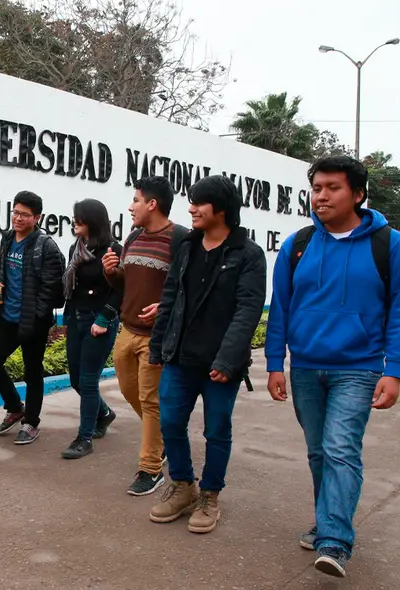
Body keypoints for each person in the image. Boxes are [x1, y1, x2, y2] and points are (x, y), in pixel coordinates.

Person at [264, 155, 400, 578]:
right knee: (318, 453)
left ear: (358, 194)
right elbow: (282, 308)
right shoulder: (298, 245)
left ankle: (334, 541)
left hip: (360, 368)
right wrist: (276, 362)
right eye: (316, 188)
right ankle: (327, 521)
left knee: (339, 449)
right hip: (307, 368)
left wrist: (395, 368)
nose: (322, 196)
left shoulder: (389, 243)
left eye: (333, 188)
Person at [146, 175, 266, 534]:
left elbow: (247, 311)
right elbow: (170, 298)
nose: (191, 208)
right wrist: (158, 346)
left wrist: (228, 360)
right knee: (169, 423)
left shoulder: (248, 254)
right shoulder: (187, 246)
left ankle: (210, 493)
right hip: (180, 359)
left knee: (217, 430)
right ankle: (183, 485)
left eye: (199, 202)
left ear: (222, 208)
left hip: (220, 366)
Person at [102, 176, 188, 496]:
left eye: (136, 200)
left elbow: (190, 288)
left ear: (152, 204)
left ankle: (151, 469)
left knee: (151, 401)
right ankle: (163, 439)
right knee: (128, 391)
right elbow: (126, 284)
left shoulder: (181, 239)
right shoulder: (134, 236)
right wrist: (111, 272)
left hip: (158, 337)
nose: (130, 206)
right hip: (127, 331)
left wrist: (165, 306)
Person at [0, 191, 67, 445]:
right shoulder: (8, 238)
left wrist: (38, 316)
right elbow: (1, 270)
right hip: (6, 316)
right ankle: (14, 406)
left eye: (24, 214)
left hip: (33, 321)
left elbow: (52, 288)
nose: (18, 218)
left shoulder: (46, 246)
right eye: (15, 212)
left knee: (32, 372)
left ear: (37, 217)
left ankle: (31, 422)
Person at [60, 198, 123, 459]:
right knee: (75, 379)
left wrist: (105, 318)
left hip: (99, 321)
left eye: (80, 218)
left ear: (93, 221)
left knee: (87, 381)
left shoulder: (113, 249)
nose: (75, 222)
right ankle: (105, 413)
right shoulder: (78, 248)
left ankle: (84, 438)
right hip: (75, 318)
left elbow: (121, 289)